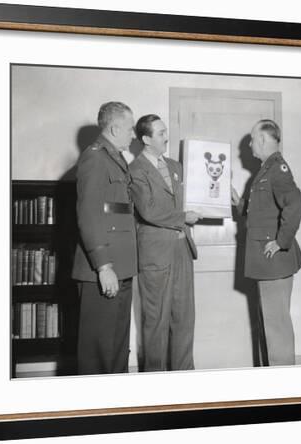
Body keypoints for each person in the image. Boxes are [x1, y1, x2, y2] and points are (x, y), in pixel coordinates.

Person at [129, 114, 201, 372]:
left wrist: (218, 190)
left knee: (184, 318)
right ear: (146, 139)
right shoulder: (135, 170)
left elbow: (196, 194)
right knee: (156, 320)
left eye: (165, 131)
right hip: (155, 255)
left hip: (182, 249)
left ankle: (184, 377)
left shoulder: (175, 166)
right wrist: (183, 217)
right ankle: (155, 381)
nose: (166, 137)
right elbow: (148, 211)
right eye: (160, 133)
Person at [232, 119, 301, 366]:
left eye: (253, 139)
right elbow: (262, 212)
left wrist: (281, 241)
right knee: (271, 327)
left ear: (263, 139)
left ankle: (283, 390)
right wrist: (237, 202)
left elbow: (295, 204)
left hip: (274, 261)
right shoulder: (266, 169)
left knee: (277, 330)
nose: (251, 144)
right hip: (267, 262)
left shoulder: (277, 169)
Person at [71, 101, 138, 375]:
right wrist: (104, 266)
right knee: (98, 353)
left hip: (119, 267)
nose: (133, 135)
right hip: (104, 269)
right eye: (130, 129)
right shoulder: (95, 158)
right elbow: (89, 215)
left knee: (116, 349)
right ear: (115, 127)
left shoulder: (115, 158)